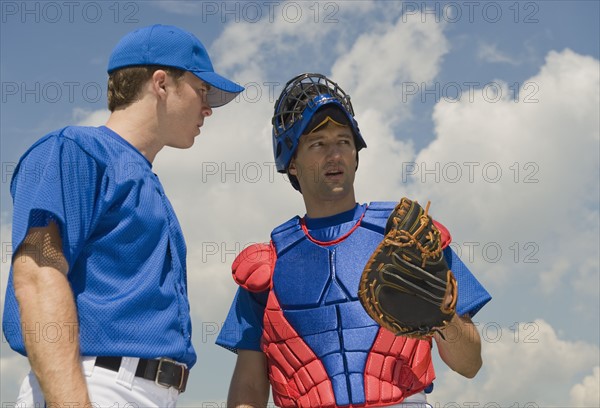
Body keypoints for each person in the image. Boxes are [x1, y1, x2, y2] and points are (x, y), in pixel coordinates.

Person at [2, 24, 243, 406]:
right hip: (92, 385)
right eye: (202, 90)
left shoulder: (146, 179)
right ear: (161, 83)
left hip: (146, 392)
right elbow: (36, 278)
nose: (209, 107)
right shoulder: (74, 150)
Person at [216, 73, 491, 407]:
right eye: (318, 144)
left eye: (343, 141)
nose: (335, 155)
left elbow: (470, 364)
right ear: (291, 164)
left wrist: (443, 319)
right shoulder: (265, 267)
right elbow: (248, 386)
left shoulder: (409, 236)